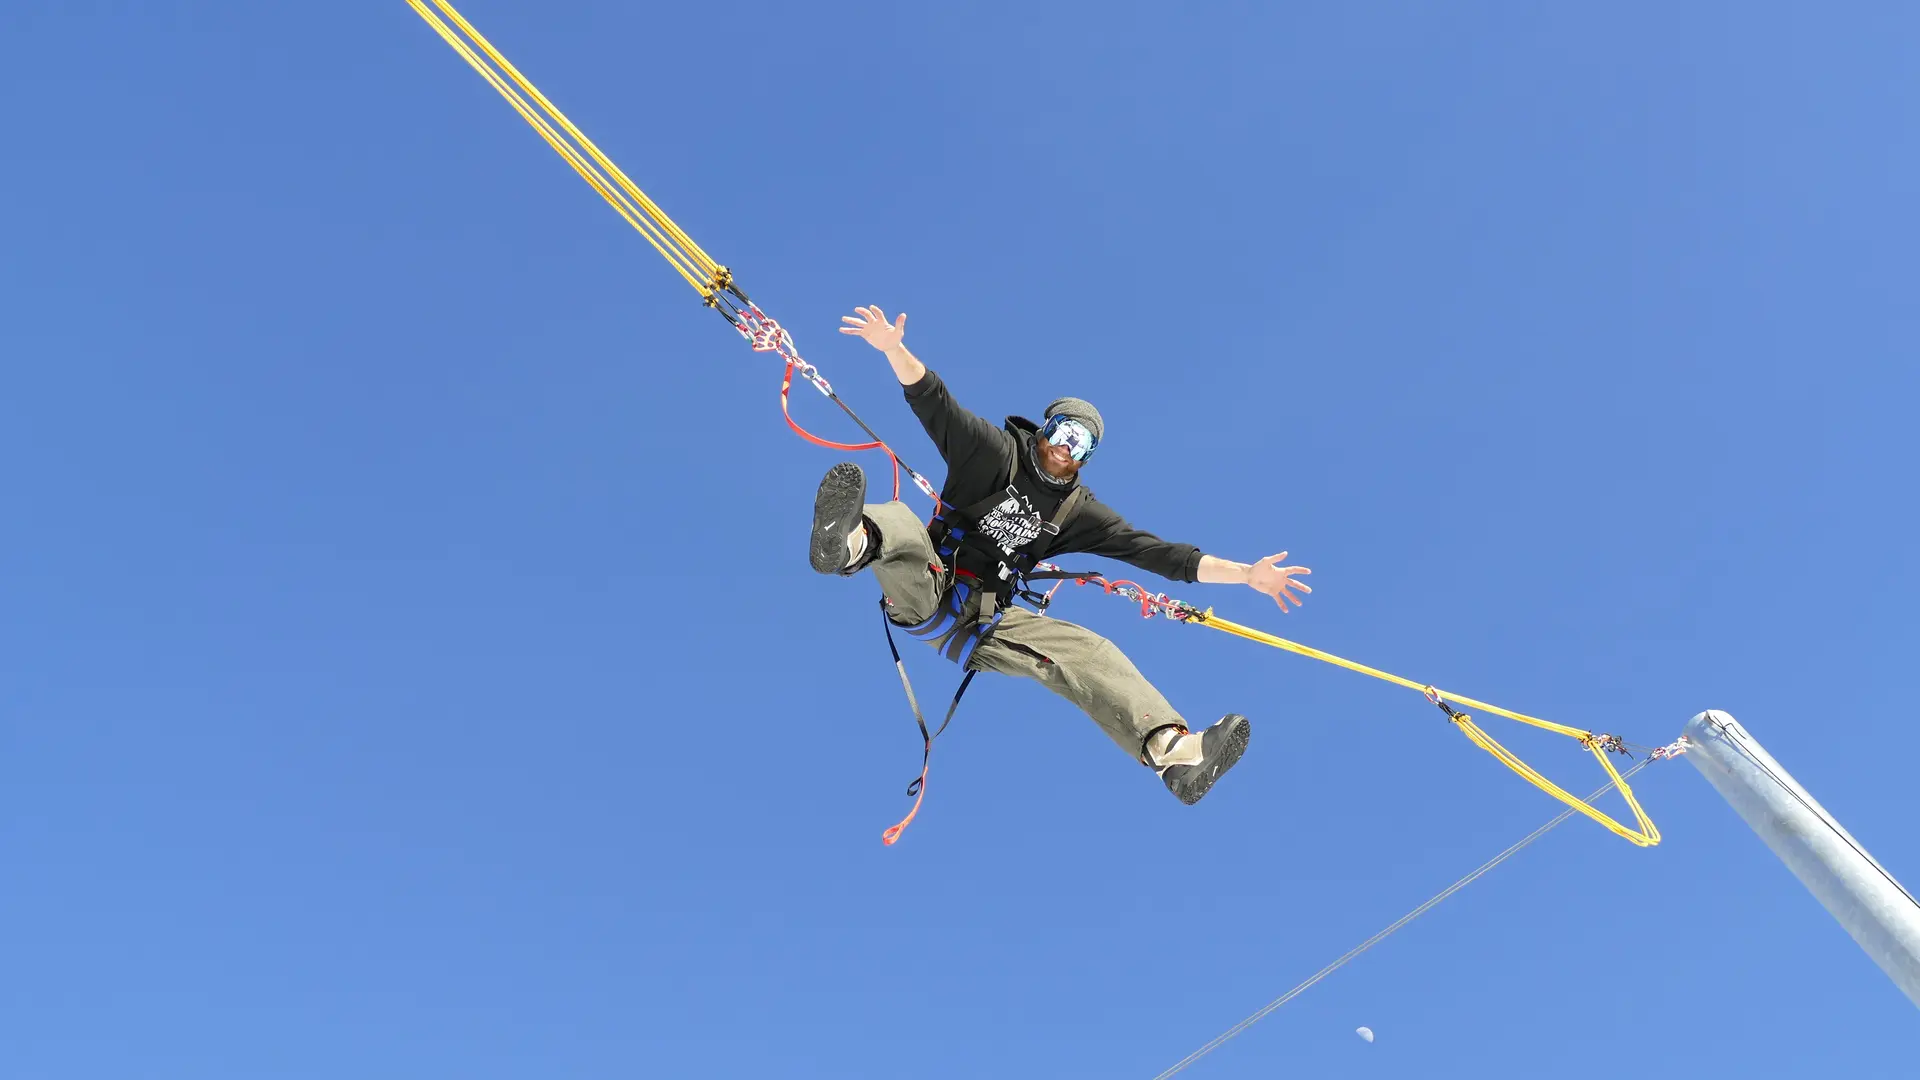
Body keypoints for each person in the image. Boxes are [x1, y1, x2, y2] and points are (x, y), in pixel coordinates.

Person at [811, 306, 1312, 805]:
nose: (1065, 448)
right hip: (929, 583)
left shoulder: (1075, 511)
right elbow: (935, 402)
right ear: (1044, 428)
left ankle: (1173, 753)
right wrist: (894, 349)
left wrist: (1246, 575)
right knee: (900, 524)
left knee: (1092, 652)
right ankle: (848, 541)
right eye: (1062, 432)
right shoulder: (992, 454)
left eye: (1081, 444)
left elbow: (1157, 553)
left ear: (1087, 457)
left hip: (983, 623)